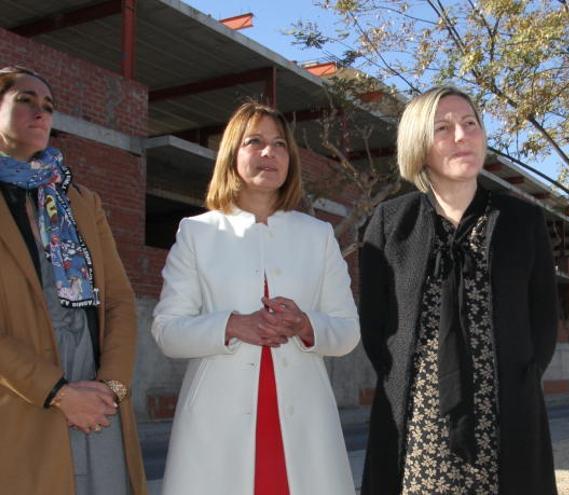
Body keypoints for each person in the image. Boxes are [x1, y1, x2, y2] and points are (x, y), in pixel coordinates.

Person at [152, 100, 360, 495]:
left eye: (280, 144)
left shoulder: (318, 236)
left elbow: (347, 332)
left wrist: (305, 324)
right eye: (255, 142)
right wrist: (230, 325)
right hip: (216, 427)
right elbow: (167, 331)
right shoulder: (196, 233)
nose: (269, 152)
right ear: (232, 155)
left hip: (305, 426)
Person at [359, 86, 559, 494]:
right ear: (419, 144)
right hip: (418, 425)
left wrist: (517, 378)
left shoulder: (523, 221)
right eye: (443, 128)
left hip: (504, 418)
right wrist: (408, 381)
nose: (462, 136)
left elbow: (543, 321)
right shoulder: (389, 223)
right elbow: (375, 327)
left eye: (470, 124)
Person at [0, 65, 147, 494]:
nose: (40, 113)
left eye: (48, 106)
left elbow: (120, 301)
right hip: (24, 402)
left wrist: (111, 388)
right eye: (25, 100)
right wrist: (60, 394)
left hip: (100, 404)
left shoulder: (81, 201)